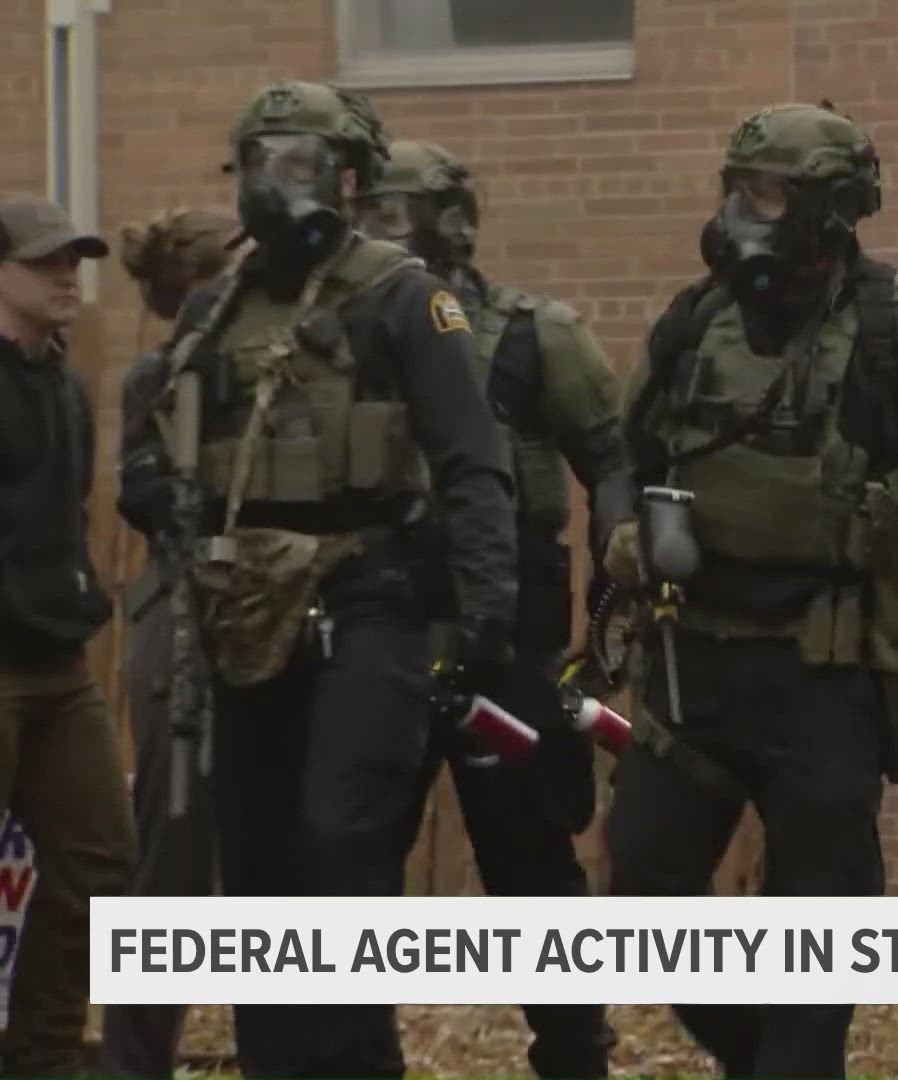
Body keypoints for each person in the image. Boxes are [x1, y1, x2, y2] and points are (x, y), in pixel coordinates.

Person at [606, 101, 898, 1078]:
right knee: (644, 883)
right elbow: (622, 459)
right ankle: (761, 1056)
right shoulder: (691, 326)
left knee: (818, 918)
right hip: (693, 663)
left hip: (832, 675)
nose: (744, 214)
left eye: (768, 194)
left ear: (833, 211)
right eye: (737, 190)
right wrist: (625, 534)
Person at [144, 81, 519, 1079]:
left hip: (371, 595)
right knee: (259, 859)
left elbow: (474, 459)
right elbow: (164, 431)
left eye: (300, 164)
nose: (277, 184)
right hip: (244, 605)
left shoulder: (403, 295)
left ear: (350, 180)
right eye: (260, 162)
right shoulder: (222, 304)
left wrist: (484, 613)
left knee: (341, 837)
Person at [350, 138, 628, 1078]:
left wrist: (616, 580)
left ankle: (574, 1051)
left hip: (509, 624)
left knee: (530, 853)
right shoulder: (350, 330)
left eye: (390, 212)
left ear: (454, 224)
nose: (370, 231)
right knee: (356, 853)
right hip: (382, 620)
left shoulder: (530, 331)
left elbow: (613, 457)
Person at [101, 206, 241, 1080]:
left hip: (271, 616)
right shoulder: (159, 376)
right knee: (173, 852)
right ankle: (133, 1064)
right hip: (184, 615)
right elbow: (147, 499)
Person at [0, 193, 136, 1078]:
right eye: (46, 261)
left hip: (59, 663)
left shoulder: (66, 385)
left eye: (74, 260)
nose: (66, 276)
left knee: (102, 857)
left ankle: (41, 1056)